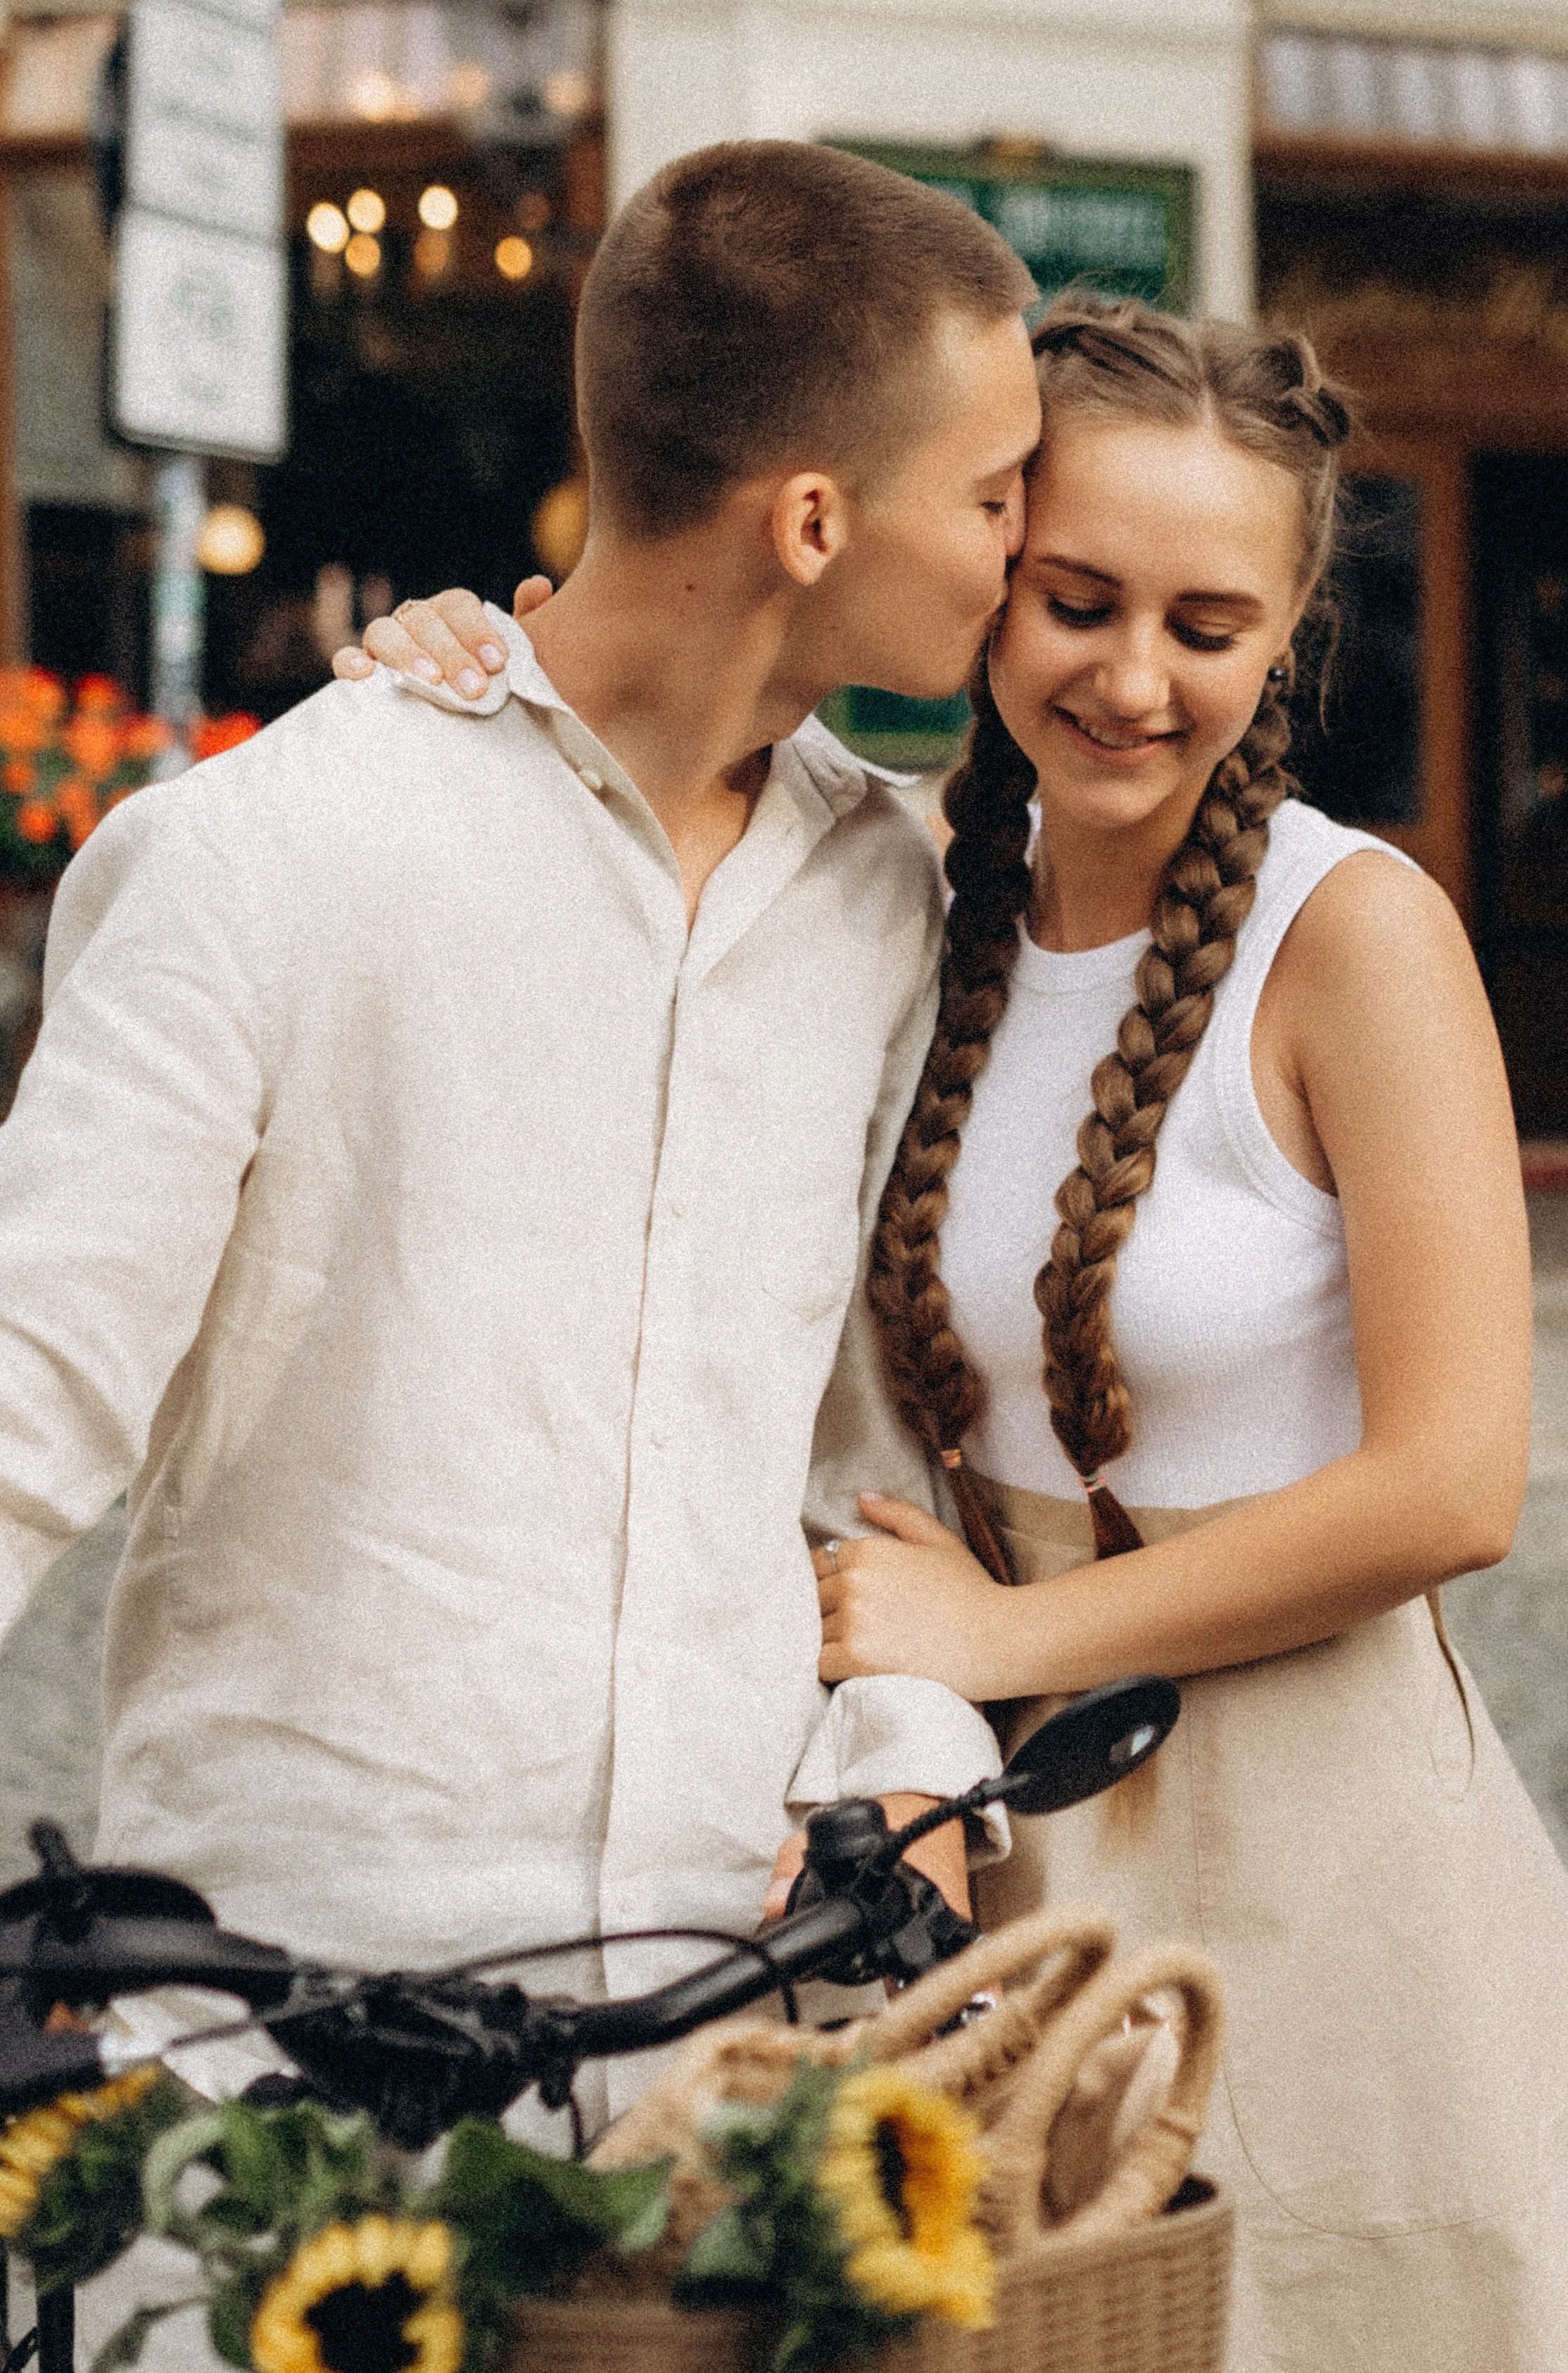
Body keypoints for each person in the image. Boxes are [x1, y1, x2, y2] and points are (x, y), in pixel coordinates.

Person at [359, 292, 1568, 2373]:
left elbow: (1455, 1483)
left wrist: (1008, 1634)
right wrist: (467, 667)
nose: (1132, 678)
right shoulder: (892, 875)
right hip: (980, 1836)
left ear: (1290, 635)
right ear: (991, 573)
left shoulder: (1356, 935)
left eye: (1208, 625)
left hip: (1328, 1831)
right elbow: (638, 733)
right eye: (1078, 600)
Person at [0, 137, 1047, 2196]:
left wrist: (910, 1778)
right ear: (813, 521)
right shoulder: (266, 858)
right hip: (281, 2052)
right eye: (996, 495)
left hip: (726, 2060)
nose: (1024, 549)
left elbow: (872, 1456)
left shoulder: (890, 903)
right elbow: (26, 1389)